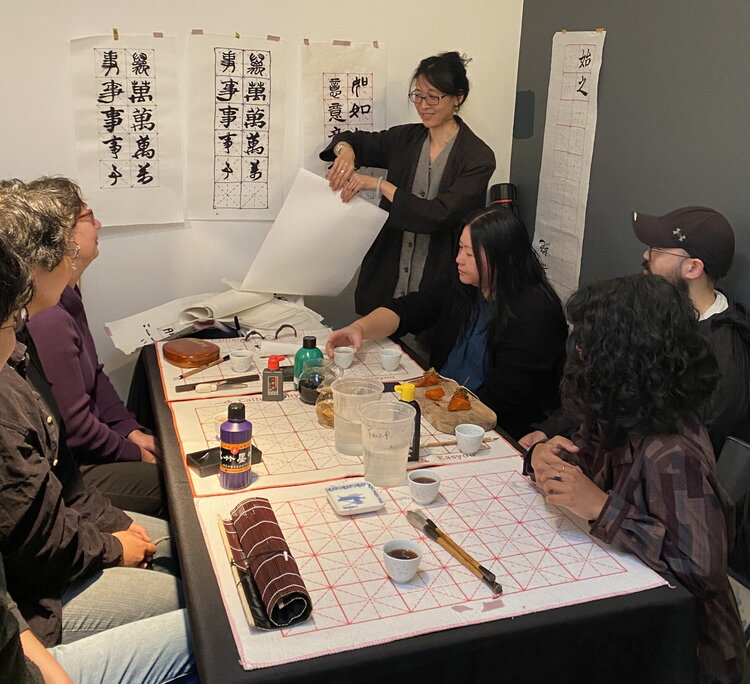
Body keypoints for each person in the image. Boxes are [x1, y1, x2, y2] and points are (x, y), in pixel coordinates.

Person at [524, 274, 744, 684]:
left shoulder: (671, 451)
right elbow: (584, 458)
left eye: (590, 342)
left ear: (624, 354)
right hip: (629, 599)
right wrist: (542, 456)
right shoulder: (623, 408)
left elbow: (702, 568)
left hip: (683, 650)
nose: (579, 351)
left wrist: (601, 506)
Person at [0, 190, 182, 649]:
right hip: (38, 598)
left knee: (189, 549)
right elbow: (35, 544)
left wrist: (112, 523)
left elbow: (65, 484)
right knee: (198, 603)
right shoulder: (27, 346)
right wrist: (114, 547)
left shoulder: (22, 342)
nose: (94, 228)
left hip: (63, 532)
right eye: (80, 222)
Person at [519, 205, 750, 455]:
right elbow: (606, 388)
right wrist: (549, 430)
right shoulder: (651, 314)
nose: (646, 255)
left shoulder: (723, 357)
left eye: (657, 249)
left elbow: (686, 451)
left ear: (693, 268)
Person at [325, 207, 568, 439]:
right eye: (460, 248)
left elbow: (501, 400)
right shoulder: (465, 282)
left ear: (501, 258)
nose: (459, 259)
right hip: (441, 403)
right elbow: (411, 308)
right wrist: (360, 328)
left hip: (489, 425)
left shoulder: (534, 314)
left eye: (470, 254)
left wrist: (434, 414)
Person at [23, 177, 165, 518]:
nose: (98, 224)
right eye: (88, 216)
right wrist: (135, 453)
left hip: (89, 449)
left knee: (169, 445)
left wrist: (131, 431)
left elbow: (95, 377)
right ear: (63, 235)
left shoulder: (67, 292)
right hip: (70, 468)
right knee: (176, 484)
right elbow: (76, 429)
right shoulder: (48, 316)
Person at [320, 51, 496, 316]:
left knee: (428, 338)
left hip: (438, 283)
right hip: (386, 277)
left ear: (458, 97)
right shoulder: (405, 139)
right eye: (418, 95)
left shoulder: (478, 157)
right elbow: (352, 139)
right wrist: (345, 151)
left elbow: (439, 215)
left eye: (433, 97)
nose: (423, 105)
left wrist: (381, 186)